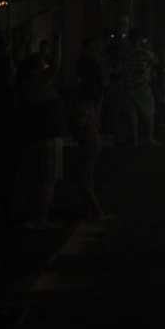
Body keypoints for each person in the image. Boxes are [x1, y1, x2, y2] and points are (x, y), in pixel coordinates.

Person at [17, 55, 66, 230]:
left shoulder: (29, 87)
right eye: (42, 67)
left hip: (39, 139)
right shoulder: (37, 86)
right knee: (46, 181)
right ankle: (40, 219)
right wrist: (57, 45)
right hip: (47, 140)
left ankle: (36, 216)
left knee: (39, 180)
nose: (46, 69)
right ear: (35, 71)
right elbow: (55, 66)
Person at [73, 38, 107, 220]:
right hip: (92, 138)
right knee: (86, 178)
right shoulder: (94, 97)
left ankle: (96, 211)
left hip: (89, 140)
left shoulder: (83, 100)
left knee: (84, 179)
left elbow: (80, 122)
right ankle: (90, 210)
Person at [123, 30, 159, 148]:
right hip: (141, 85)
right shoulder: (142, 52)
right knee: (148, 112)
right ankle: (148, 137)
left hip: (128, 85)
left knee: (132, 113)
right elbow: (155, 60)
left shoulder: (126, 52)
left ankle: (135, 139)